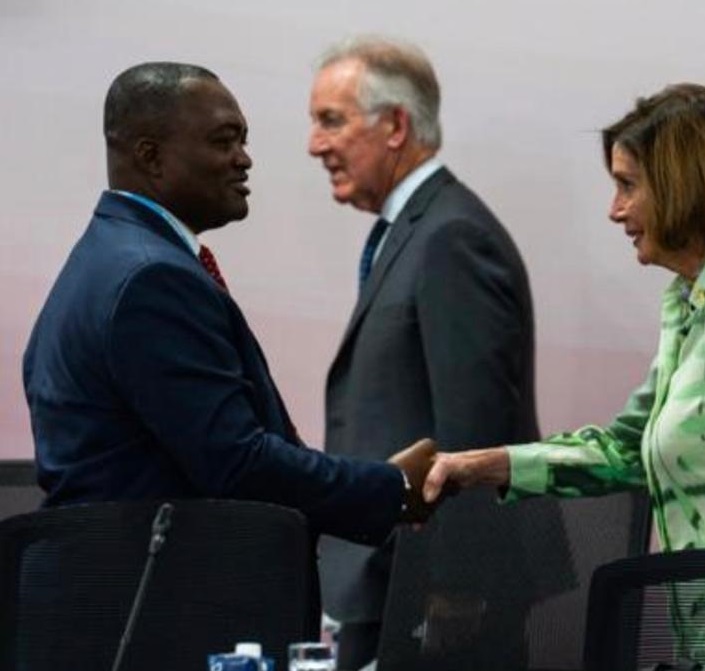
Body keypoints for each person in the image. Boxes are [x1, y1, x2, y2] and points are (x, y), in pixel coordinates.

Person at [424, 84, 705, 670]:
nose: (615, 210)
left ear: (685, 182)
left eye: (627, 185)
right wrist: (485, 466)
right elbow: (625, 451)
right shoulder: (690, 301)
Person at [22, 62, 436, 562]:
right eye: (224, 141)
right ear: (150, 156)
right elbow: (238, 463)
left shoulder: (110, 257)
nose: (244, 160)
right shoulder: (150, 279)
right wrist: (395, 489)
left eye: (243, 141)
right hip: (148, 614)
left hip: (117, 603)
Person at [307, 36, 549, 669]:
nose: (315, 144)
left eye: (331, 120)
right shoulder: (414, 231)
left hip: (432, 595)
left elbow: (476, 431)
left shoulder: (452, 237)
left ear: (395, 125)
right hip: (391, 582)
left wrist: (458, 586)